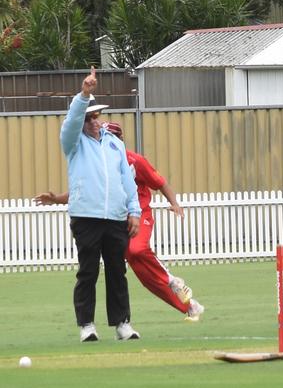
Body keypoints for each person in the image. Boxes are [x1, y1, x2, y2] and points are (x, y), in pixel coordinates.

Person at [36, 122, 204, 322]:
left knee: (137, 250)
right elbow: (81, 190)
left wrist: (175, 203)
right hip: (116, 222)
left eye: (109, 136)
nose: (104, 140)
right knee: (149, 280)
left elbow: (160, 183)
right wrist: (55, 199)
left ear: (120, 139)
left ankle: (172, 280)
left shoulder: (135, 161)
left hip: (140, 215)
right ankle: (189, 307)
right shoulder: (99, 162)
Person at [59, 67, 141, 342]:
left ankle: (122, 323)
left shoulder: (114, 144)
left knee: (117, 270)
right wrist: (84, 94)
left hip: (115, 217)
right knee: (88, 271)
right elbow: (70, 121)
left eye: (97, 116)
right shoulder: (73, 142)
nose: (94, 122)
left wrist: (134, 212)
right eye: (89, 118)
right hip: (86, 216)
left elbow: (127, 182)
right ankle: (86, 325)